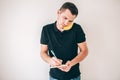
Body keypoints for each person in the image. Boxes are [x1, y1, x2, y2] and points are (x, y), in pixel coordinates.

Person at [40, 2, 88, 80]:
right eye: (65, 18)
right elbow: (43, 52)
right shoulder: (46, 29)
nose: (66, 23)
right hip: (54, 76)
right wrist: (50, 60)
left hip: (74, 76)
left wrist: (71, 63)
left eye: (70, 21)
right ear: (58, 12)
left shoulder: (77, 29)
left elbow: (85, 51)